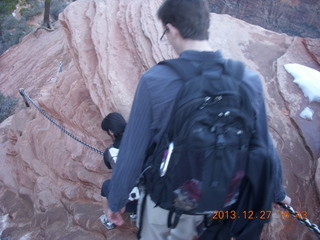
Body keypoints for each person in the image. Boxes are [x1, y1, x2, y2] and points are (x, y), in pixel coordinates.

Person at [106, 0, 291, 239]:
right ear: (205, 26)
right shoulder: (247, 79)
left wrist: (116, 199)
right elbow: (264, 146)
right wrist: (277, 193)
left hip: (167, 203)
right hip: (224, 202)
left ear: (172, 29)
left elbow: (133, 149)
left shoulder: (155, 80)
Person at [99, 112, 139, 229]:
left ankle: (109, 219)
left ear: (111, 132)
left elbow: (109, 166)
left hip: (128, 204)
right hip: (148, 197)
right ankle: (135, 213)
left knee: (106, 185)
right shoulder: (139, 142)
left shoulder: (110, 152)